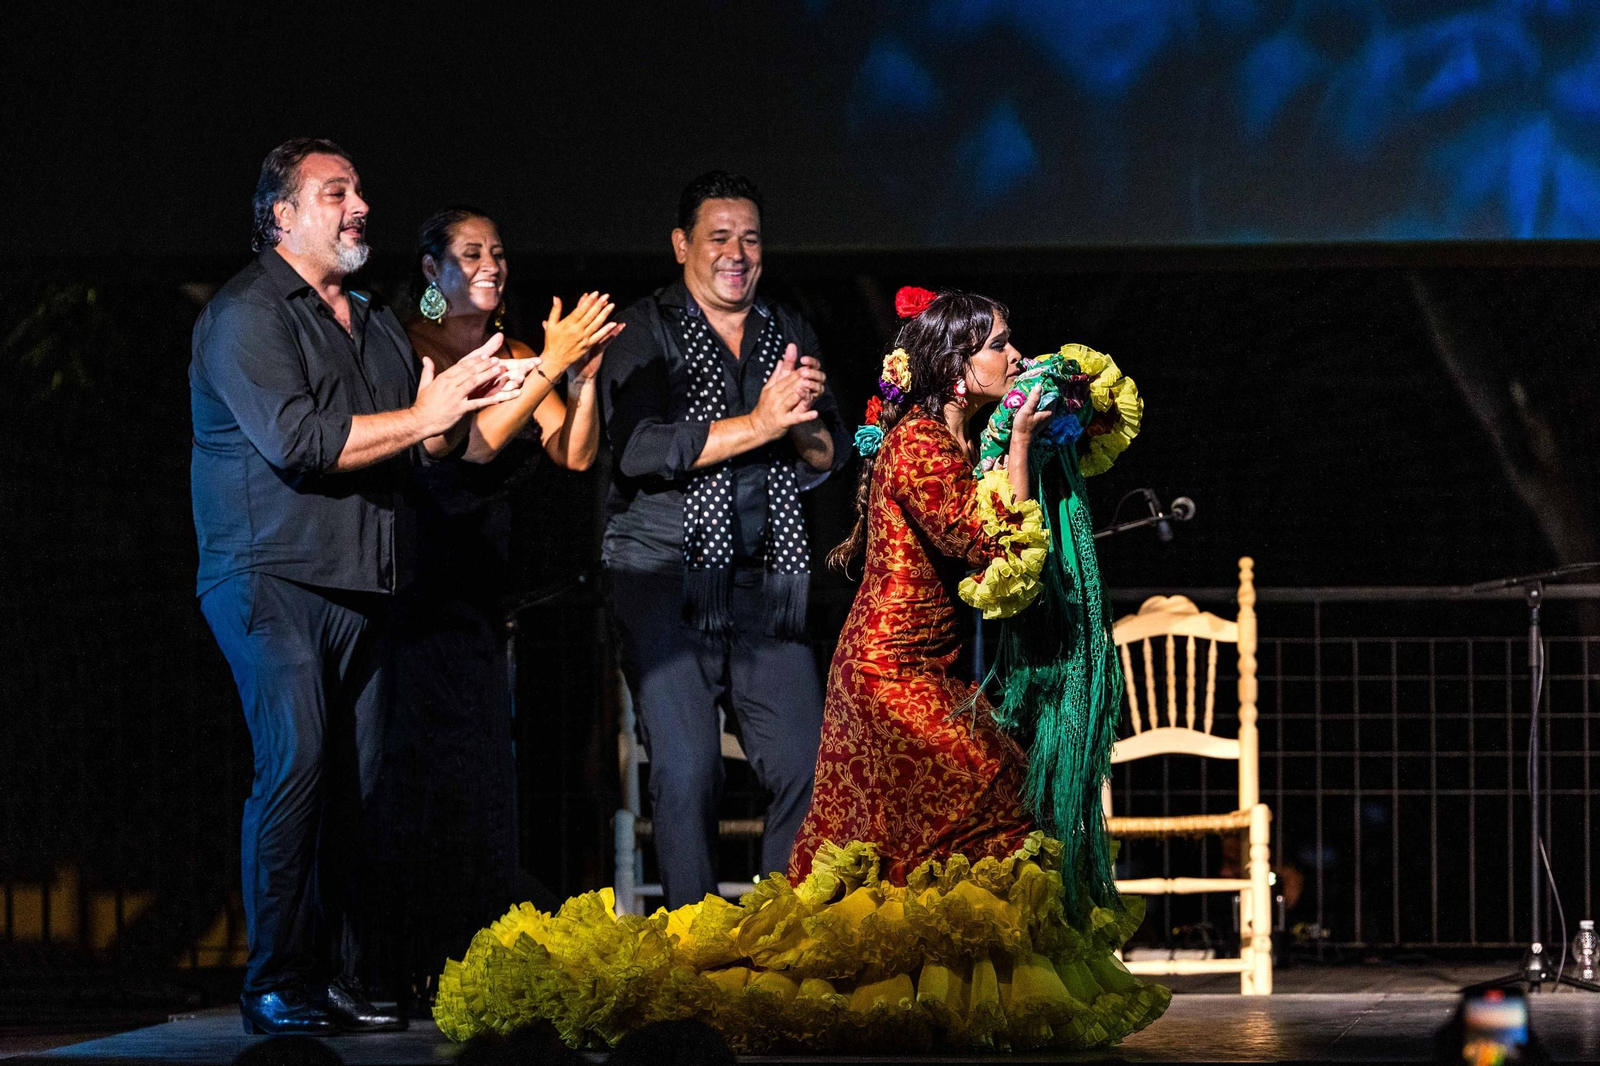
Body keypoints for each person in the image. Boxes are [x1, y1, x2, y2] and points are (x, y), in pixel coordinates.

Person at [430, 289, 1168, 1053]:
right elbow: (986, 542)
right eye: (1000, 345)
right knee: (990, 785)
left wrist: (1031, 441)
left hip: (921, 667)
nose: (1015, 357)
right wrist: (1016, 441)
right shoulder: (918, 444)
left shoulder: (948, 440)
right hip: (888, 673)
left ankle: (932, 1000)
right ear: (955, 368)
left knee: (905, 853)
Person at [190, 138, 529, 1035]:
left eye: (360, 190)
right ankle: (275, 977)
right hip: (271, 577)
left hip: (364, 583)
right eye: (335, 192)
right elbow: (301, 441)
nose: (358, 205)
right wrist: (426, 413)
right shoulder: (246, 313)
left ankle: (343, 974)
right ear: (282, 217)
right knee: (297, 764)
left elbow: (423, 443)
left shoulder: (375, 317)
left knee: (363, 787)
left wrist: (462, 400)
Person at [371, 206, 620, 1004]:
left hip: (483, 589)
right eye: (471, 253)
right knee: (421, 770)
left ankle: (467, 959)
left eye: (499, 253)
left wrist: (578, 379)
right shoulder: (411, 343)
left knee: (483, 774)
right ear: (433, 272)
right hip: (421, 581)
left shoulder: (518, 352)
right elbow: (465, 454)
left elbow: (572, 454)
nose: (492, 264)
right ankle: (406, 957)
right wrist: (553, 361)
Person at [597, 171, 848, 908]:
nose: (737, 253)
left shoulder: (786, 327)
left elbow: (828, 451)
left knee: (806, 762)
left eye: (750, 238)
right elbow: (639, 450)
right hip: (661, 578)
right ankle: (693, 942)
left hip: (765, 581)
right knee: (688, 767)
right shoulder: (646, 330)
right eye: (718, 237)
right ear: (682, 246)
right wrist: (761, 425)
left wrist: (798, 421)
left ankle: (779, 933)